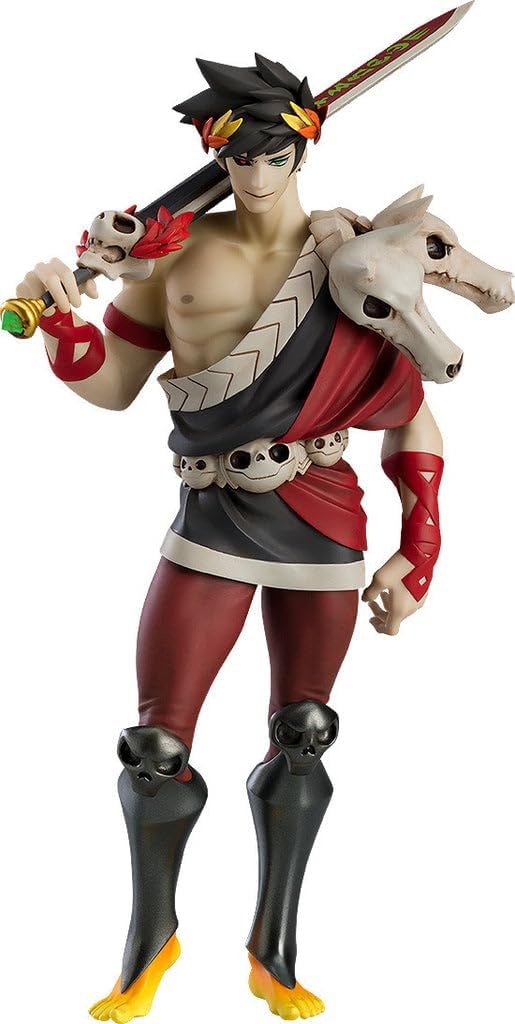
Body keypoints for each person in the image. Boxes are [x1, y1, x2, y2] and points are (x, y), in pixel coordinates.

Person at [17, 54, 443, 1023]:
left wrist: (419, 549)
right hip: (209, 514)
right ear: (213, 156)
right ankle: (149, 943)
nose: (253, 172)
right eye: (236, 155)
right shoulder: (170, 255)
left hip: (321, 517)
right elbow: (112, 386)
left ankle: (272, 952)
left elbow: (410, 410)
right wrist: (65, 330)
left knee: (304, 735)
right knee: (154, 745)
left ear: (302, 149)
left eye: (271, 154)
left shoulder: (352, 259)